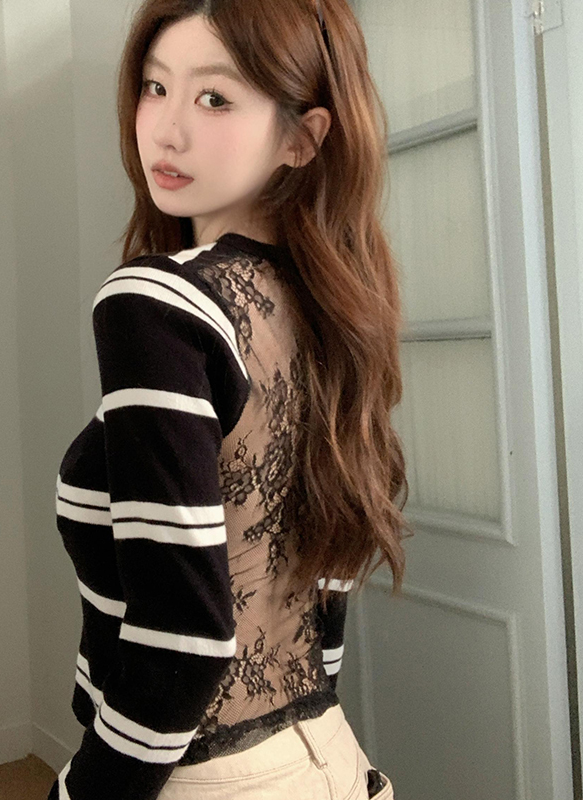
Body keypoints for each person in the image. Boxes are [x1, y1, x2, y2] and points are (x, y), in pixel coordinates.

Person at [48, 0, 410, 797]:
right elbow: (331, 575)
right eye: (155, 87)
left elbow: (181, 638)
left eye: (215, 98)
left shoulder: (157, 302)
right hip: (333, 758)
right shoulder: (335, 309)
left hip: (209, 776)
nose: (167, 130)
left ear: (301, 138)